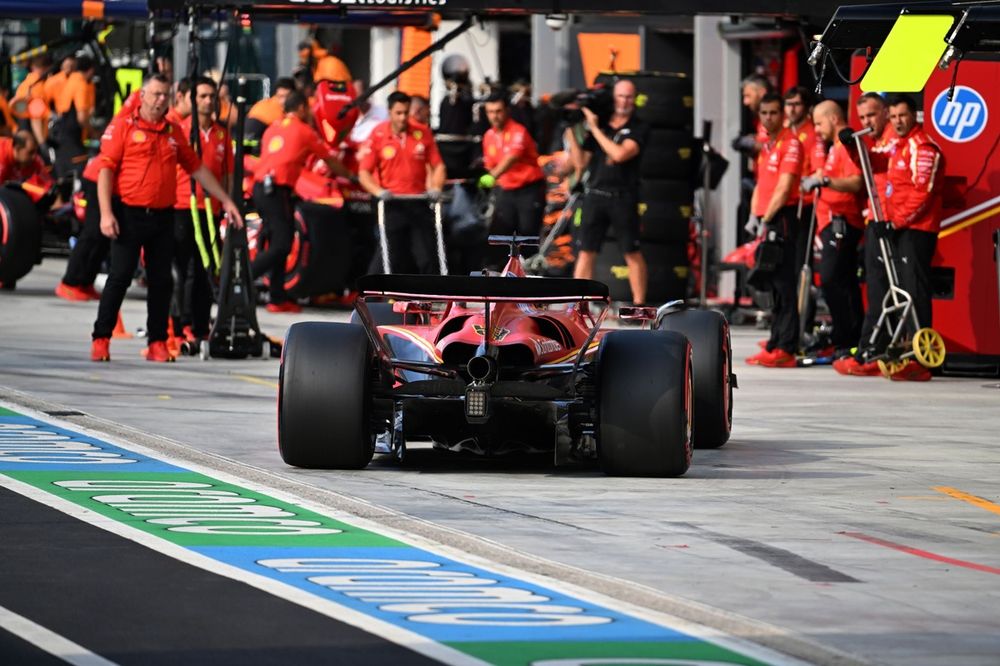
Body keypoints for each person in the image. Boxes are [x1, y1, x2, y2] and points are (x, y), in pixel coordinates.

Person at [89, 73, 242, 363]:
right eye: (155, 94)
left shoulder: (173, 130)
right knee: (120, 277)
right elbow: (105, 170)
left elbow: (196, 168)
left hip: (163, 216)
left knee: (162, 280)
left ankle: (158, 341)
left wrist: (226, 200)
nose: (160, 100)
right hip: (128, 213)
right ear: (143, 95)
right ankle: (101, 337)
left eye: (164, 95)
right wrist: (106, 213)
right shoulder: (123, 125)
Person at [251, 90, 351, 312]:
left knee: (277, 241)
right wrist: (350, 176)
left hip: (261, 188)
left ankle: (276, 298)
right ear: (303, 108)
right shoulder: (305, 131)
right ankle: (243, 279)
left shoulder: (273, 128)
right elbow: (329, 160)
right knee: (282, 243)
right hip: (277, 190)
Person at [834, 92, 900, 376]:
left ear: (885, 112)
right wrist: (852, 145)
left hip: (892, 221)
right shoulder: (878, 141)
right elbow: (867, 162)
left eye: (871, 115)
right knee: (875, 287)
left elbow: (877, 162)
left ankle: (876, 349)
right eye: (862, 117)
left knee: (886, 289)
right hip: (876, 218)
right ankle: (871, 347)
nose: (867, 121)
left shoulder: (894, 139)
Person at [567, 79, 649, 305]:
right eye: (621, 96)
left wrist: (593, 128)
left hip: (623, 196)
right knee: (585, 251)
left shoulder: (639, 126)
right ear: (614, 98)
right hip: (595, 194)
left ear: (635, 99)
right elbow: (581, 161)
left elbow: (621, 154)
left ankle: (639, 305)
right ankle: (578, 303)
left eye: (629, 96)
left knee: (631, 252)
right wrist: (572, 131)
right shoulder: (601, 125)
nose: (624, 101)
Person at [56, 92, 140, 302]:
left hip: (114, 183)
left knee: (103, 238)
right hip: (97, 178)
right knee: (92, 233)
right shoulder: (128, 116)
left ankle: (85, 282)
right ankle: (70, 282)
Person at [882, 94, 944, 381]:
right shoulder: (900, 146)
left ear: (914, 115)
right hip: (900, 228)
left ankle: (922, 359)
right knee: (904, 291)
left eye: (902, 115)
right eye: (893, 116)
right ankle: (907, 348)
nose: (897, 121)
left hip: (917, 230)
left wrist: (897, 221)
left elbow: (924, 192)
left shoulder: (923, 146)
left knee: (916, 291)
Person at [744, 93, 804, 368]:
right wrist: (753, 217)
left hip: (782, 218)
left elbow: (784, 187)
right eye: (764, 113)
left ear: (783, 115)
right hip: (766, 219)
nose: (769, 117)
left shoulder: (791, 144)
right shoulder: (767, 145)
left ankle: (786, 346)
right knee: (771, 282)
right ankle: (775, 340)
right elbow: (761, 185)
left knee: (783, 282)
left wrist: (767, 219)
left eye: (774, 113)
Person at [358, 90, 446, 275]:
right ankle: (369, 298)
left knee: (427, 255)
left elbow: (438, 166)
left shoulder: (422, 133)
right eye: (399, 113)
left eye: (406, 112)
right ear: (390, 112)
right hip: (391, 203)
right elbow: (364, 173)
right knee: (388, 255)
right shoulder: (379, 134)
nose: (403, 117)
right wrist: (378, 191)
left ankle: (431, 299)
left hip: (418, 202)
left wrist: (436, 188)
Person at [801, 100, 864, 358]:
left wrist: (824, 180)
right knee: (839, 279)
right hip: (831, 222)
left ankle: (847, 338)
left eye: (818, 122)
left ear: (834, 119)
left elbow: (856, 182)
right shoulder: (835, 147)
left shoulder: (844, 145)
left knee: (833, 278)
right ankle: (844, 336)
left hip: (842, 221)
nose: (816, 129)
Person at [173, 77, 233, 341]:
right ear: (191, 100)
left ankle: (200, 325)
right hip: (182, 207)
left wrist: (229, 204)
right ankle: (179, 324)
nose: (209, 101)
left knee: (206, 269)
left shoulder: (222, 134)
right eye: (203, 96)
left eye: (212, 97)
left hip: (212, 211)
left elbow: (228, 174)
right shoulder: (180, 129)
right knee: (182, 270)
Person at [480, 91, 545, 267]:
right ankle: (500, 275)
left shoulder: (518, 131)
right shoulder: (488, 136)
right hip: (506, 191)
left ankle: (531, 274)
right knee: (500, 236)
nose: (495, 116)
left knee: (527, 236)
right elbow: (489, 165)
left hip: (528, 189)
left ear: (506, 111)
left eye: (499, 111)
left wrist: (491, 176)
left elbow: (512, 158)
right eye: (491, 112)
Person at [245, 77, 295, 154]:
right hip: (254, 152)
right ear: (275, 96)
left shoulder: (264, 104)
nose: (283, 101)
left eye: (287, 96)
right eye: (281, 96)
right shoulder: (271, 110)